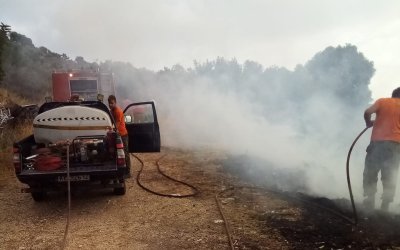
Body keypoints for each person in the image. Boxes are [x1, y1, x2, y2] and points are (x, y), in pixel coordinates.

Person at [363, 87, 400, 211]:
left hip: (377, 144)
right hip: (394, 146)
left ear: (393, 95)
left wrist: (368, 123)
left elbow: (367, 112)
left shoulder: (383, 102)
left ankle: (369, 203)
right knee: (389, 175)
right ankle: (385, 207)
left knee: (370, 172)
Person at [108, 95, 131, 177]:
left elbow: (116, 125)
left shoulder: (118, 111)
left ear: (115, 102)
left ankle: (128, 172)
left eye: (112, 103)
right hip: (117, 135)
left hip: (123, 135)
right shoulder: (111, 111)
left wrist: (110, 129)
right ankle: (120, 170)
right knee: (118, 154)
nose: (110, 105)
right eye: (109, 103)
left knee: (125, 153)